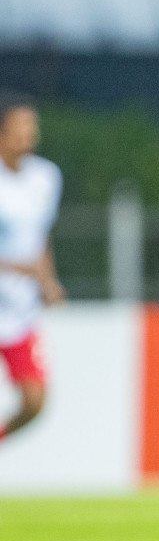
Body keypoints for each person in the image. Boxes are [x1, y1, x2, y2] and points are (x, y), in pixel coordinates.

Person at [0, 92, 64, 446]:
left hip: (19, 311)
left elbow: (40, 237)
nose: (28, 133)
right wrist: (15, 267)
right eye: (19, 127)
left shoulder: (45, 178)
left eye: (31, 126)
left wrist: (48, 281)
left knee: (34, 401)